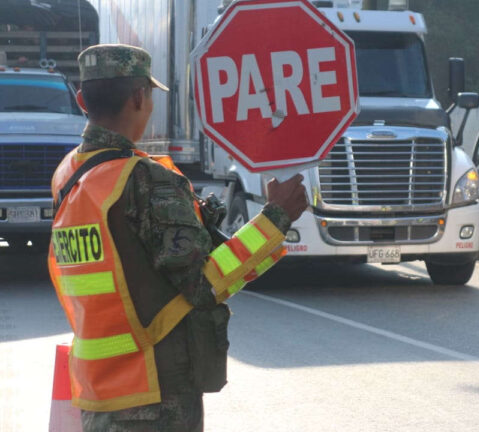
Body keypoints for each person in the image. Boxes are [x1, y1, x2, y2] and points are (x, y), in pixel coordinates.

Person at [47, 44, 307, 431]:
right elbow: (203, 285)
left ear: (83, 98)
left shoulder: (68, 174)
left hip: (96, 392)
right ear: (140, 96)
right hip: (153, 397)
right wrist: (275, 219)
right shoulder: (145, 180)